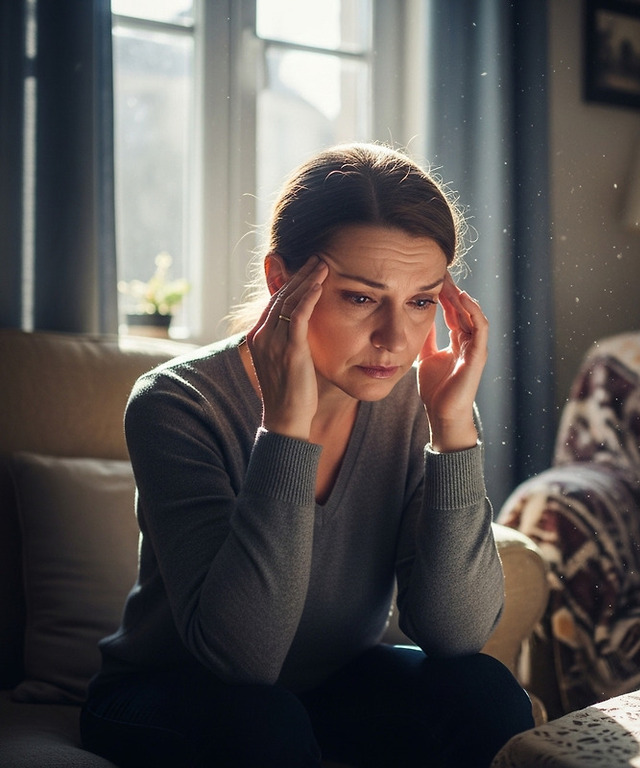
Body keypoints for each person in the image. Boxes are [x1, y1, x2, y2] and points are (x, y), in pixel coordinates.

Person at [80, 142, 534, 768]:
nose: (396, 340)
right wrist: (286, 428)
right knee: (264, 724)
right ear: (280, 282)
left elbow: (453, 634)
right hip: (170, 691)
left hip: (330, 686)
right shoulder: (178, 403)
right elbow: (244, 658)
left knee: (485, 693)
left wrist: (453, 430)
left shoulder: (418, 404)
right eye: (360, 297)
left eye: (422, 301)